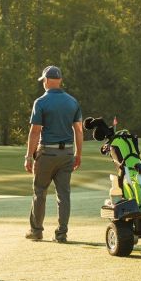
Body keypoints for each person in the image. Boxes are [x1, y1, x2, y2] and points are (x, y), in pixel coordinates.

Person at [24, 65, 83, 242]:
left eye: (43, 80)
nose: (43, 83)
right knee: (63, 195)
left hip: (47, 154)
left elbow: (35, 132)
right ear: (60, 81)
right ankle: (61, 233)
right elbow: (79, 131)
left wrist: (29, 156)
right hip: (67, 155)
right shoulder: (72, 102)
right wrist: (78, 154)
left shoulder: (41, 102)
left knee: (40, 191)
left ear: (48, 81)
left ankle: (36, 231)